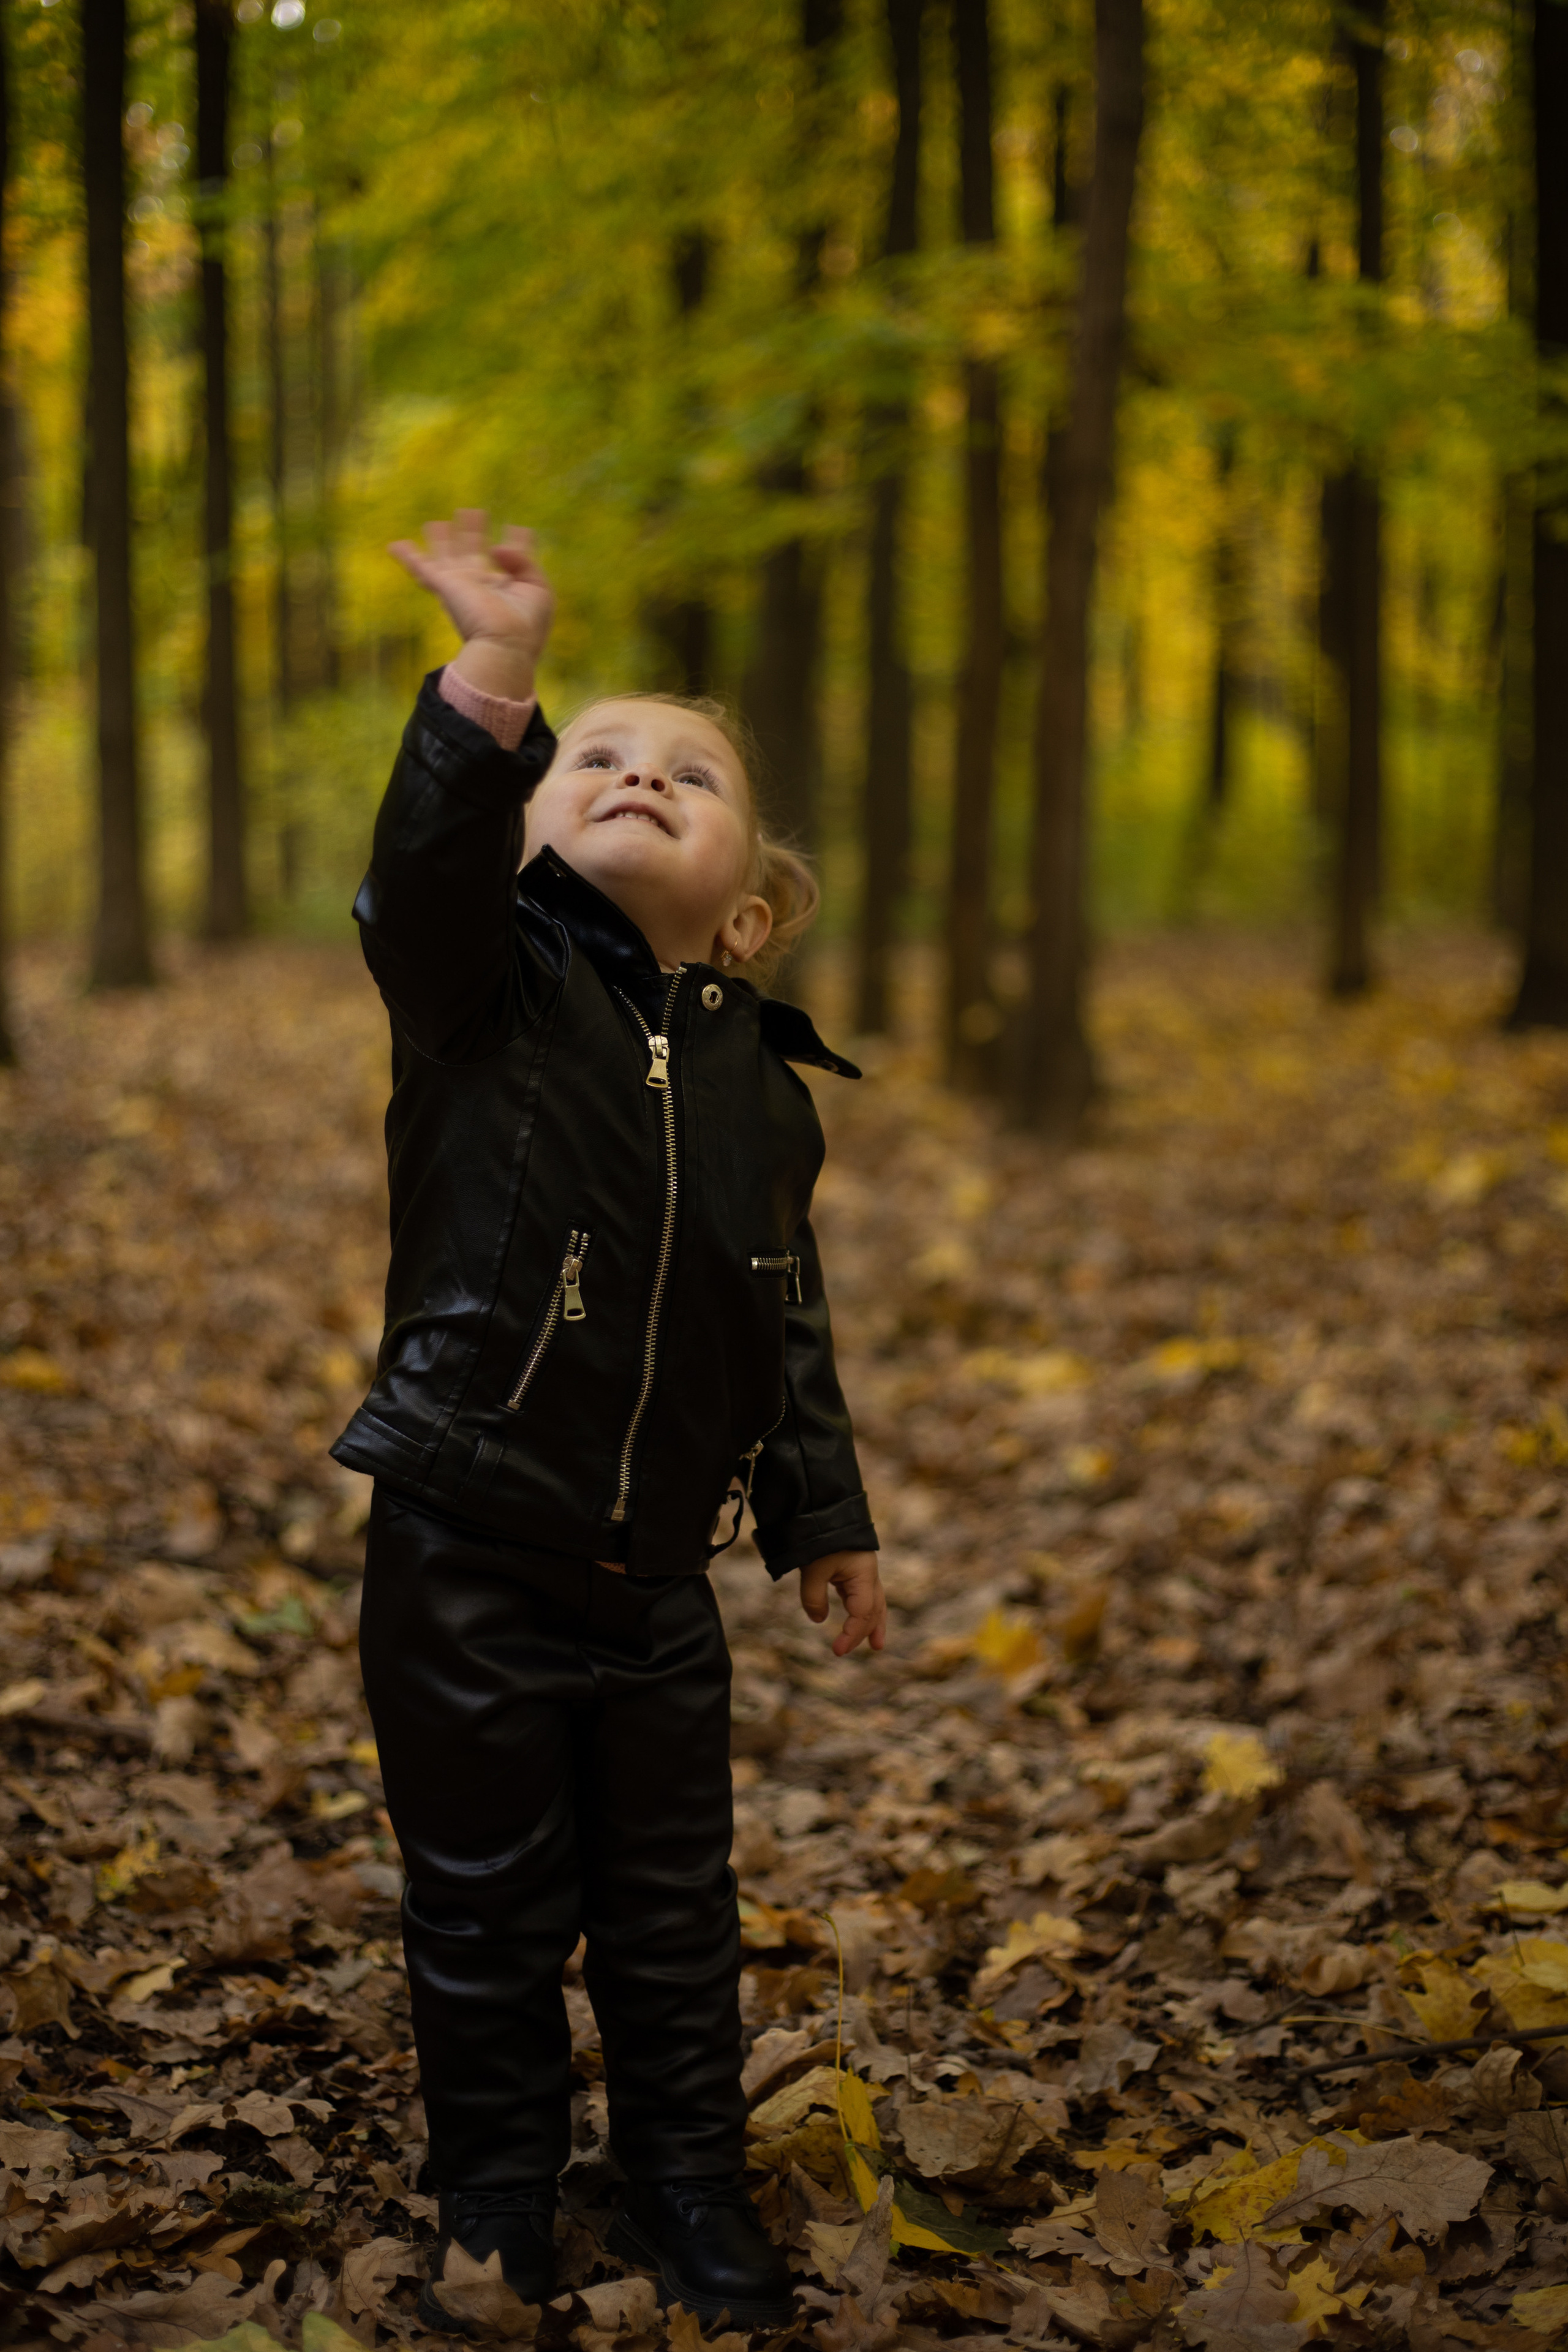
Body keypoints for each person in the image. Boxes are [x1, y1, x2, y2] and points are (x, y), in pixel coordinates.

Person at [332, 513, 886, 2333]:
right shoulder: (484, 988)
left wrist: (820, 1514)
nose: (641, 772)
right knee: (484, 1907)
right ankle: (493, 2190)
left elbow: (781, 1316)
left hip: (659, 1583)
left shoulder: (763, 1092)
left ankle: (688, 2184)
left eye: (692, 772)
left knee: (669, 1915)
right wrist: (492, 684)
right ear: (538, 825)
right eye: (600, 759)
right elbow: (418, 878)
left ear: (746, 907)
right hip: (465, 1539)